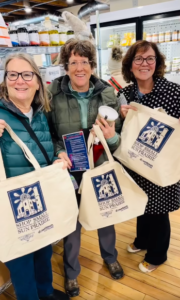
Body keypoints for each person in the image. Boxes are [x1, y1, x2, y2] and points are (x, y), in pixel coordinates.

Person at [47, 39, 123, 298]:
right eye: (73, 62)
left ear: (92, 65)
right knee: (72, 223)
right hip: (69, 168)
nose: (79, 68)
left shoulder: (107, 93)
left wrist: (111, 138)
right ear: (65, 66)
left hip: (100, 166)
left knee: (106, 215)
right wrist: (58, 151)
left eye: (84, 62)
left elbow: (118, 136)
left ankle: (110, 257)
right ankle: (71, 273)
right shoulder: (52, 95)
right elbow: (50, 133)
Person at [0, 53, 70, 300]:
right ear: (5, 80)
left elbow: (48, 142)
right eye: (13, 74)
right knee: (20, 262)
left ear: (38, 81)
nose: (20, 80)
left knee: (43, 249)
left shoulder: (40, 111)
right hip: (12, 205)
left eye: (27, 74)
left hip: (41, 196)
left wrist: (59, 154)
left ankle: (47, 293)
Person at [120, 40, 180, 273]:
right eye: (139, 59)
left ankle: (157, 255)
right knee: (140, 202)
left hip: (161, 163)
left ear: (157, 63)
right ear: (130, 65)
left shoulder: (173, 92)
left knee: (159, 208)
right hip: (135, 162)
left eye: (150, 59)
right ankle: (142, 240)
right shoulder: (124, 94)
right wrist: (120, 115)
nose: (144, 63)